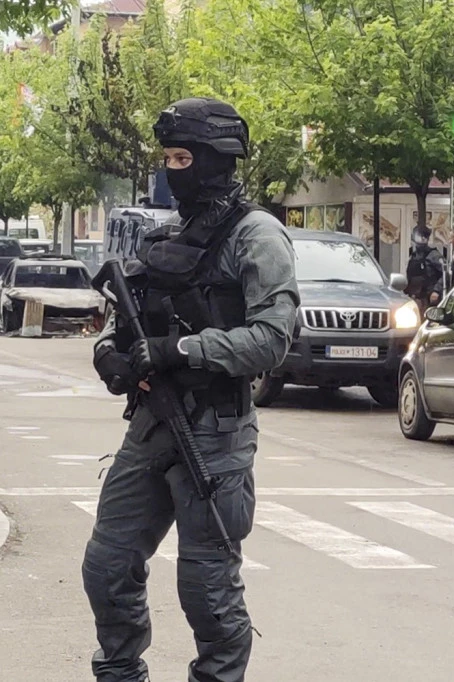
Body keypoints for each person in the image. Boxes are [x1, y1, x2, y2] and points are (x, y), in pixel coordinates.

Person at [85, 97, 300, 682]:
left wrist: (180, 350)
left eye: (184, 159)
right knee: (107, 567)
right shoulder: (166, 236)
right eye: (168, 158)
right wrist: (110, 355)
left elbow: (272, 339)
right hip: (151, 425)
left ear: (216, 160)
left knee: (207, 590)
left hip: (215, 434)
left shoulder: (257, 236)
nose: (173, 170)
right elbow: (122, 318)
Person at [405, 224, 445, 310]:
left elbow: (445, 274)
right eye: (418, 236)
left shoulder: (434, 255)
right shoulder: (413, 256)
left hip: (429, 299)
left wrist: (436, 291)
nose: (421, 239)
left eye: (424, 237)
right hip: (414, 298)